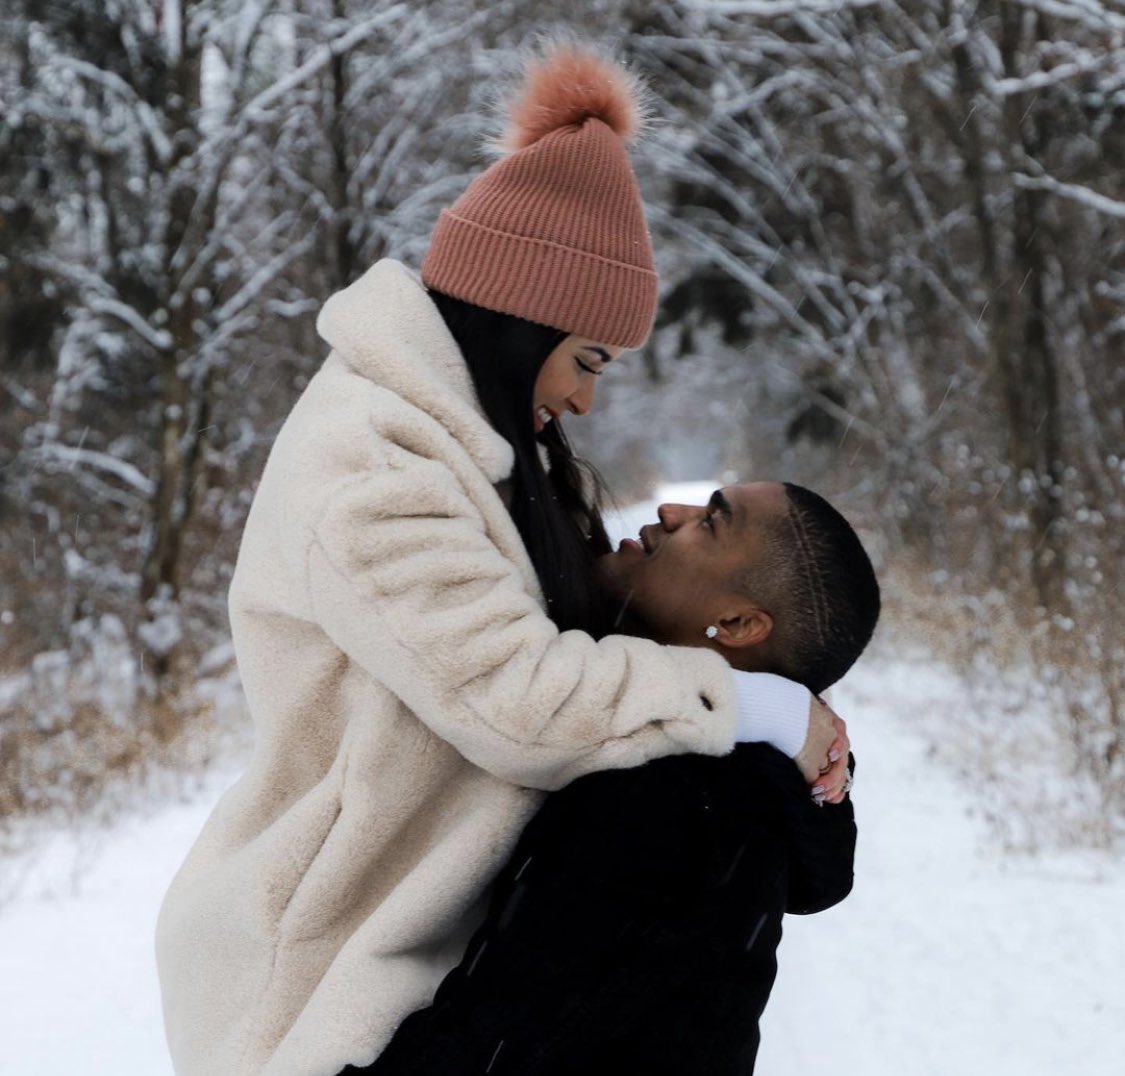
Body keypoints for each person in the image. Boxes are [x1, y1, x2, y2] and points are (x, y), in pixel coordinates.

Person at [155, 45, 850, 1076]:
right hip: (322, 981)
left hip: (420, 949)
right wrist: (766, 709)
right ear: (523, 319)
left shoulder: (476, 456)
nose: (585, 398)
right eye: (589, 358)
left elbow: (599, 660)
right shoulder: (373, 465)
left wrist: (801, 782)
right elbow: (520, 699)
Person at [350, 481, 879, 1075]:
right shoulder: (724, 778)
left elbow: (500, 1041)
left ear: (733, 622)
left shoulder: (676, 798)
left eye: (710, 522)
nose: (671, 511)